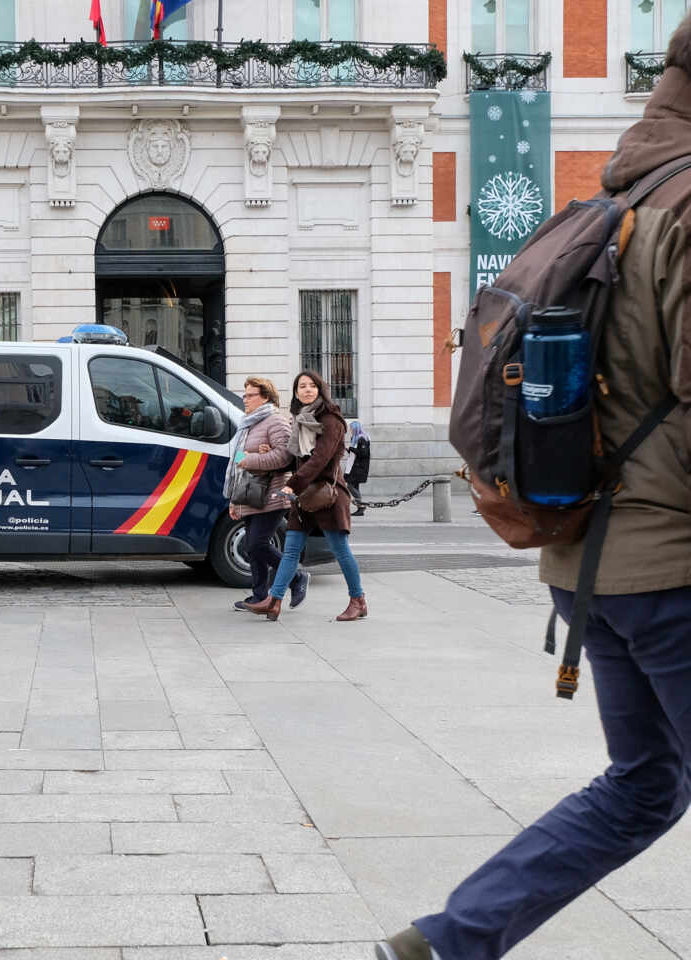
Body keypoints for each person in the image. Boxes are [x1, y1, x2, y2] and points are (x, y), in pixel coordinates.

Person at [377, 21, 691, 960]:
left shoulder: (621, 199)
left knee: (643, 785)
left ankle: (450, 938)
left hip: (589, 561)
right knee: (643, 783)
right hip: (673, 569)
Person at [247, 370, 366, 623]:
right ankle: (275, 601)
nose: (307, 390)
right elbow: (296, 460)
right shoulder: (300, 420)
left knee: (340, 550)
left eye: (312, 386)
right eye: (302, 386)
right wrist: (268, 456)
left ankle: (358, 601)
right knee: (291, 551)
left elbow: (320, 459)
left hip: (327, 496)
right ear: (296, 392)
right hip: (305, 497)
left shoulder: (331, 420)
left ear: (320, 389)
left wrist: (293, 485)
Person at [223, 376, 308, 611]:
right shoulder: (248, 423)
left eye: (250, 395)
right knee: (252, 549)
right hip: (250, 494)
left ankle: (297, 577)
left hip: (272, 495)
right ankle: (258, 596)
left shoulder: (276, 422)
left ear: (266, 397)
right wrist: (234, 501)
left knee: (258, 545)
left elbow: (284, 457)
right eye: (245, 394)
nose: (245, 399)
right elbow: (238, 461)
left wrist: (251, 458)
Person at [344, 419, 371, 517]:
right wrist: (348, 449)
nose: (350, 430)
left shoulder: (362, 439)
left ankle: (360, 505)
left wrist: (350, 448)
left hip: (358, 468)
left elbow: (363, 454)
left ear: (355, 428)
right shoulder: (355, 438)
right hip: (354, 466)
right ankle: (360, 508)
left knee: (350, 486)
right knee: (354, 486)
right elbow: (355, 454)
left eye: (351, 428)